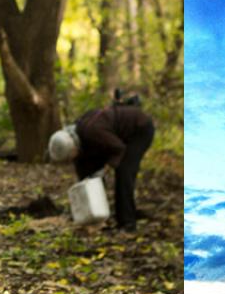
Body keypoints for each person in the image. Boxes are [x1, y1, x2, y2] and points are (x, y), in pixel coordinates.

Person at [48, 89, 156, 232]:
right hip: (113, 136)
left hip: (139, 129)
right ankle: (99, 217)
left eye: (71, 156)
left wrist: (105, 169)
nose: (72, 160)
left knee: (124, 172)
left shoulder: (93, 132)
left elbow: (119, 149)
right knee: (87, 171)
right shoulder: (79, 136)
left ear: (73, 145)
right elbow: (84, 174)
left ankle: (127, 223)